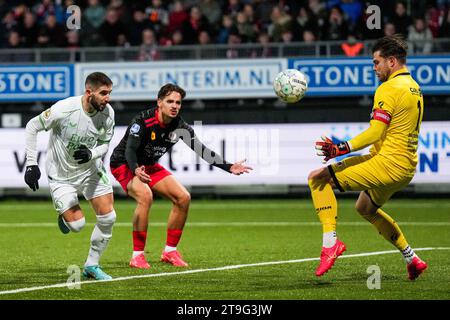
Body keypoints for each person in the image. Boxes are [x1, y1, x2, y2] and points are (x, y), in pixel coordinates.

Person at [308, 35, 428, 280]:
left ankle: (330, 244)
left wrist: (341, 148)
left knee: (318, 178)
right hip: (405, 168)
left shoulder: (389, 88)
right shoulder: (414, 86)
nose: (374, 68)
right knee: (365, 207)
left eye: (377, 62)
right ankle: (412, 258)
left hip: (388, 164)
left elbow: (376, 131)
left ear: (391, 61)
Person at [109, 83, 252, 269]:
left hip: (149, 166)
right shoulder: (142, 121)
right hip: (125, 164)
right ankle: (137, 256)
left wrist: (229, 166)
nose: (174, 105)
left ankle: (169, 251)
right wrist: (135, 168)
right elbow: (130, 149)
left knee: (183, 198)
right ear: (159, 102)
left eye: (178, 102)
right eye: (170, 101)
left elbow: (201, 150)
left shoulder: (180, 126)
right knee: (145, 196)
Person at [24, 72, 116, 281]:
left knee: (109, 217)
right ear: (89, 92)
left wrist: (92, 154)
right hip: (61, 175)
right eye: (103, 93)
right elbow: (32, 126)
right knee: (77, 226)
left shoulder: (108, 113)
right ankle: (65, 217)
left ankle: (92, 265)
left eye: (109, 93)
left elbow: (105, 144)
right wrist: (31, 164)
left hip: (91, 170)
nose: (107, 98)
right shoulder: (64, 109)